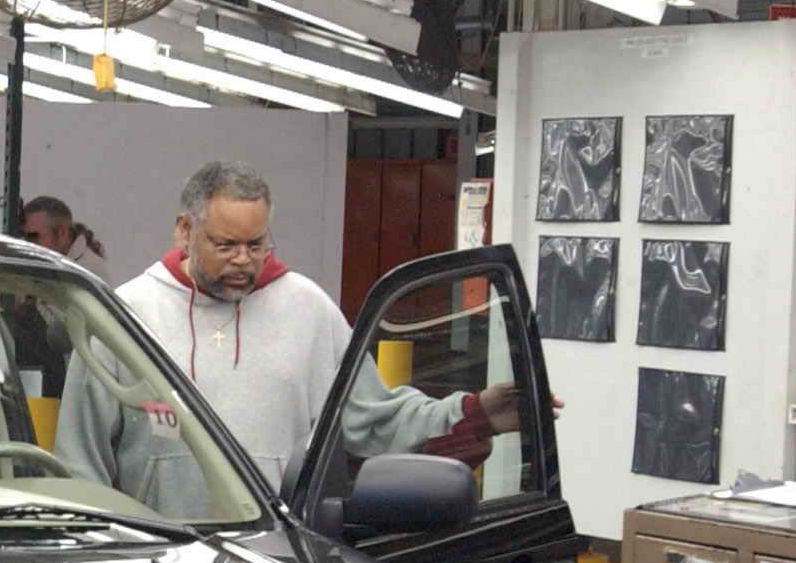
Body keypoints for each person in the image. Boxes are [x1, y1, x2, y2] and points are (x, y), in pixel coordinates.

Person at [57, 161, 533, 498]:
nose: (243, 261)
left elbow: (374, 419)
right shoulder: (125, 316)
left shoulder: (307, 309)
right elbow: (82, 460)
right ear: (185, 230)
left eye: (256, 243)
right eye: (225, 245)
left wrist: (474, 413)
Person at [20, 195, 111, 279]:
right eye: (24, 236)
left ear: (62, 233)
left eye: (34, 236)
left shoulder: (87, 272)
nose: (27, 244)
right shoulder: (51, 263)